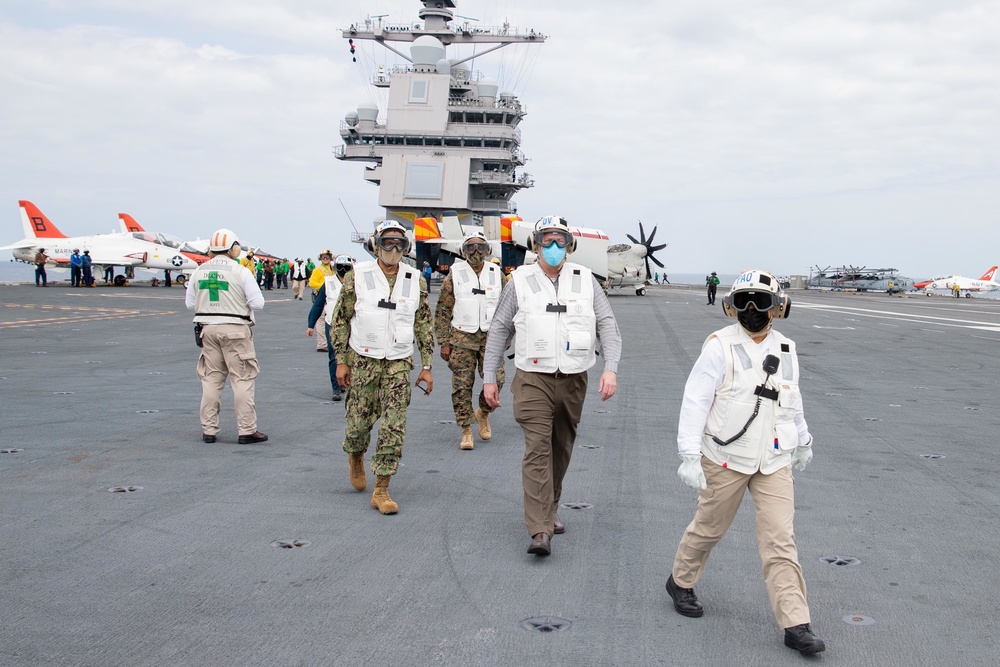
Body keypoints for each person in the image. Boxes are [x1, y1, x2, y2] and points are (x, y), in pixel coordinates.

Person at [665, 269, 824, 656]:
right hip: (726, 457)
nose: (751, 310)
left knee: (780, 541)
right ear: (730, 307)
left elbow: (793, 399)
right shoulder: (719, 346)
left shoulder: (786, 348)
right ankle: (680, 581)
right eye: (742, 302)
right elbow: (696, 400)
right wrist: (688, 453)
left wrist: (803, 440)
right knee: (709, 527)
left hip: (773, 459)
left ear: (778, 308)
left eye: (761, 302)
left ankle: (795, 623)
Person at [483, 215, 622, 557]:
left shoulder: (586, 280)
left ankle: (551, 507)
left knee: (561, 448)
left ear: (570, 246)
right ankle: (539, 529)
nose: (554, 247)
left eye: (561, 240)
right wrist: (489, 377)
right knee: (537, 450)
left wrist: (611, 369)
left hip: (575, 379)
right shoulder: (518, 282)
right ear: (536, 243)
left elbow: (607, 325)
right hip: (532, 379)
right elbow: (500, 328)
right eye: (547, 240)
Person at [330, 221, 434, 515]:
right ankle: (356, 454)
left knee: (394, 425)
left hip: (399, 362)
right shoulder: (357, 276)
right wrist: (341, 360)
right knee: (358, 425)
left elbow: (424, 323)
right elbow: (340, 320)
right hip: (362, 360)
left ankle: (382, 488)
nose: (392, 249)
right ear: (376, 244)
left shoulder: (416, 279)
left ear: (406, 247)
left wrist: (427, 365)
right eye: (386, 242)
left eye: (399, 243)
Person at [185, 228, 268, 445]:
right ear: (233, 248)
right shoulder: (240, 271)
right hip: (236, 330)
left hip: (208, 330)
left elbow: (189, 304)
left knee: (211, 379)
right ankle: (247, 430)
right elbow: (258, 304)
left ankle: (209, 430)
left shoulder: (199, 271)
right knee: (242, 379)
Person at [434, 230, 505, 450]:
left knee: (498, 379)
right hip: (461, 337)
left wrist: (507, 336)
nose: (476, 252)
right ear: (464, 251)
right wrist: (444, 341)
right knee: (462, 385)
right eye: (471, 247)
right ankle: (466, 429)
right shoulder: (454, 274)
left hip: (491, 337)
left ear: (488, 250)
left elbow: (508, 308)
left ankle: (483, 412)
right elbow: (444, 309)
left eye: (480, 247)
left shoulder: (497, 274)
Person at [307, 254, 355, 402]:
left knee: (351, 355)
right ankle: (336, 387)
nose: (343, 270)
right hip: (332, 325)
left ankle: (349, 383)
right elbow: (318, 305)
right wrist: (311, 324)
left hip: (352, 325)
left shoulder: (356, 283)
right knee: (334, 356)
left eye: (346, 268)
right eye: (340, 267)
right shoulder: (328, 282)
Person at [309, 250, 336, 351]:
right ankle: (322, 344)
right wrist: (324, 287)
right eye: (323, 257)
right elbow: (312, 283)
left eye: (327, 257)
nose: (325, 258)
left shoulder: (332, 269)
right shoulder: (318, 270)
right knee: (320, 320)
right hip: (322, 297)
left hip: (330, 298)